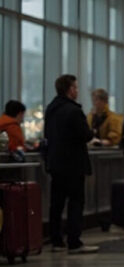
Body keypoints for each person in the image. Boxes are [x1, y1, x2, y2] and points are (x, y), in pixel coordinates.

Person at [44, 75, 99, 254]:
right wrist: (91, 132)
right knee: (76, 202)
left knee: (56, 203)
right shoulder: (73, 111)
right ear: (69, 90)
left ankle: (56, 240)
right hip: (73, 163)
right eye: (75, 87)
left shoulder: (51, 109)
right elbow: (85, 135)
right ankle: (74, 241)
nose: (77, 90)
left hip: (55, 163)